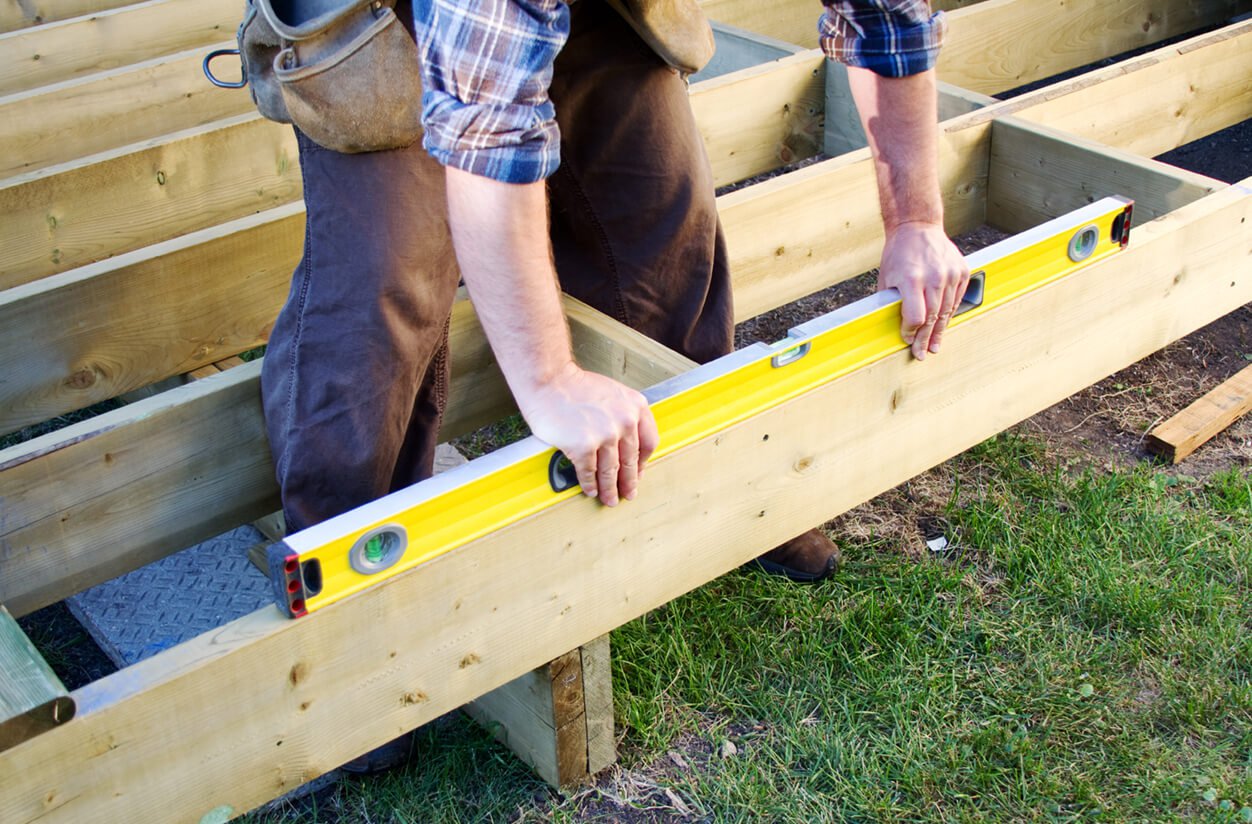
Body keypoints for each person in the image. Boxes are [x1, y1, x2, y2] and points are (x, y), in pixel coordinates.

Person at [260, 0, 966, 769]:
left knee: (656, 217)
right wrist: (549, 378)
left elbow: (887, 17)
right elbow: (487, 130)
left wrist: (916, 222)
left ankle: (712, 494)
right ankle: (352, 624)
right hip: (378, 18)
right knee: (388, 281)